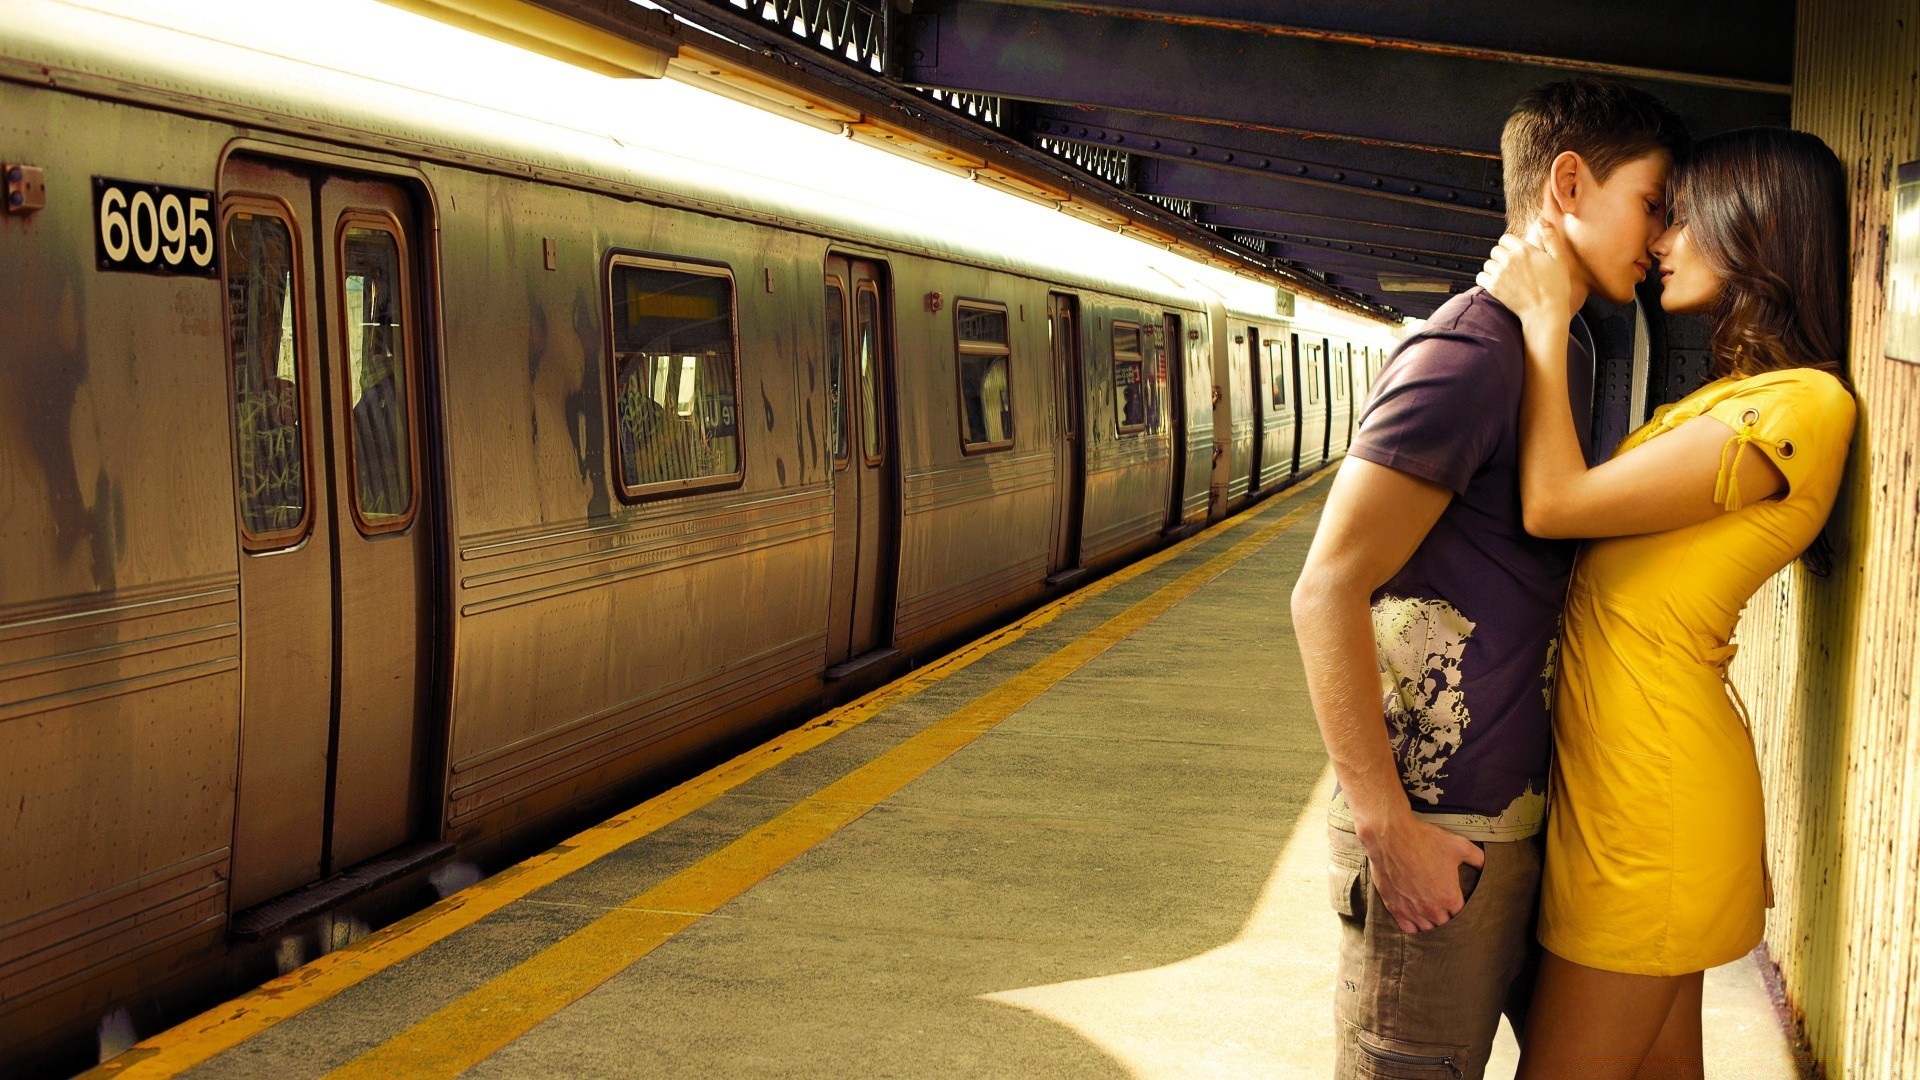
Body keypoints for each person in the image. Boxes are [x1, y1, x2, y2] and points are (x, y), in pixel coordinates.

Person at [1291, 77, 1688, 1080]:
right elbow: (1326, 586)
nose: (1662, 235)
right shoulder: (1468, 353)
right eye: (1653, 201)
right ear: (1568, 184)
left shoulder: (1557, 353)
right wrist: (1388, 829)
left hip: (1519, 824)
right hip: (1440, 834)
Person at [1477, 127, 1855, 1078]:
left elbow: (1555, 502)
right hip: (1623, 793)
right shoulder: (1739, 397)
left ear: (1754, 227)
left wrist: (1542, 322)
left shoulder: (1801, 406)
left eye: (1683, 217)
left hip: (1656, 810)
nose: (1663, 243)